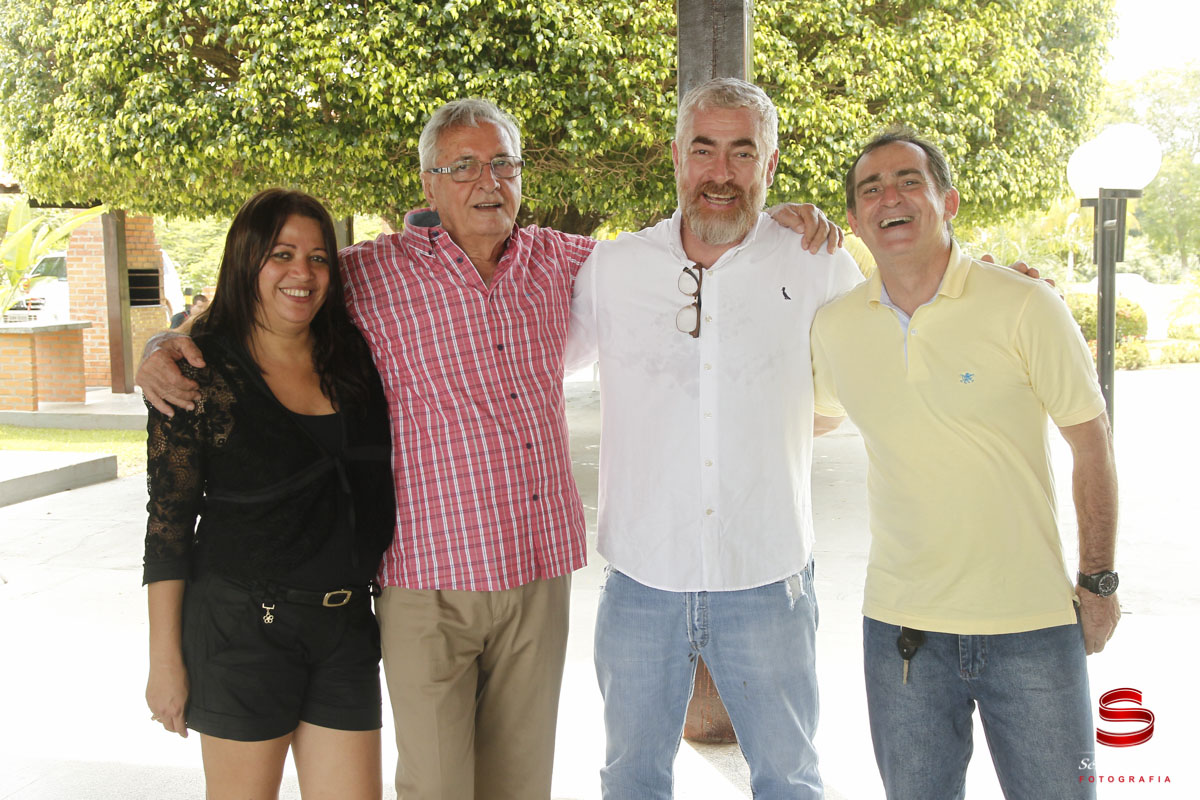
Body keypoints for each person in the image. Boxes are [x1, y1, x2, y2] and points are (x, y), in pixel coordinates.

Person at [136, 99, 840, 800]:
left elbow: (688, 256)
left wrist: (784, 222)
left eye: (504, 163)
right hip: (428, 579)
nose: (489, 181)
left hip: (535, 576)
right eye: (465, 165)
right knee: (438, 786)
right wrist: (167, 342)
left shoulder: (570, 264)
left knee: (520, 787)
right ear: (429, 182)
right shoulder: (373, 274)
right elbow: (278, 289)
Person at [564, 78, 863, 799]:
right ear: (676, 157)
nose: (721, 173)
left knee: (789, 777)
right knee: (631, 778)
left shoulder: (817, 261)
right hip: (640, 577)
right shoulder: (615, 267)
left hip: (768, 572)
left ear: (771, 162)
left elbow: (884, 363)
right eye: (704, 150)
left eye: (741, 152)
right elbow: (532, 363)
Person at [810, 129, 1119, 799]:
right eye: (871, 189)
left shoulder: (1025, 304)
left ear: (947, 201)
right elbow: (809, 417)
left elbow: (1091, 444)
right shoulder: (834, 327)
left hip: (1031, 626)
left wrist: (1098, 581)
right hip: (903, 636)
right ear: (857, 219)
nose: (889, 198)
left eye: (908, 182)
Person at [142, 189, 395, 799]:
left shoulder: (350, 355)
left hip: (344, 628)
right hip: (241, 631)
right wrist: (164, 661)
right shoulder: (197, 372)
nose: (301, 273)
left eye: (318, 258)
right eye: (281, 254)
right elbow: (168, 527)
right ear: (247, 261)